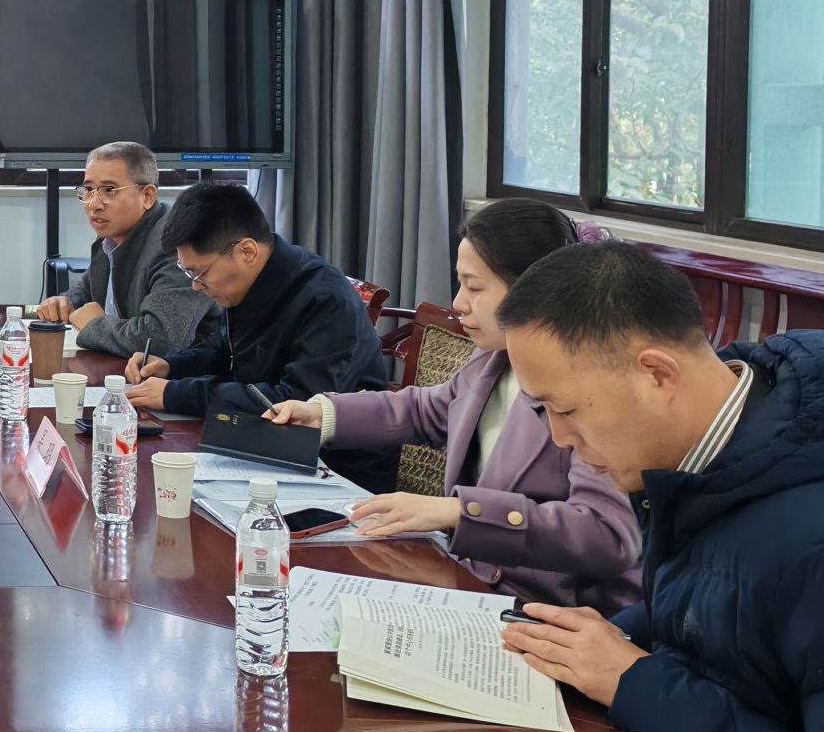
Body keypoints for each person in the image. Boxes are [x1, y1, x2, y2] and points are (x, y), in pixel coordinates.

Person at [494, 242, 824, 732]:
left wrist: (636, 682)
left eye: (566, 409)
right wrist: (598, 640)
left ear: (657, 375)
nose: (560, 439)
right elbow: (722, 604)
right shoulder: (716, 447)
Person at [260, 199, 641, 610]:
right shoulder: (493, 358)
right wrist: (324, 414)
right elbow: (428, 410)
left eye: (474, 287)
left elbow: (604, 534)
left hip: (547, 612)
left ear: (534, 290)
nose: (458, 303)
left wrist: (461, 512)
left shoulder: (592, 387)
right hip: (468, 583)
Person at [122, 181, 395, 491]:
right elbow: (224, 352)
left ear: (247, 251)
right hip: (258, 449)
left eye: (198, 273)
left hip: (335, 474)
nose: (195, 286)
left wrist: (176, 393)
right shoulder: (248, 281)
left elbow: (295, 403)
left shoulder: (325, 300)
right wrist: (171, 366)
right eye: (188, 273)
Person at [33, 141, 215, 359]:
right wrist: (66, 301)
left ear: (147, 196)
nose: (94, 204)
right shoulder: (111, 236)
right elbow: (87, 288)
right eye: (88, 190)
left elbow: (160, 339)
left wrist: (94, 325)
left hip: (183, 375)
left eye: (109, 190)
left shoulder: (175, 244)